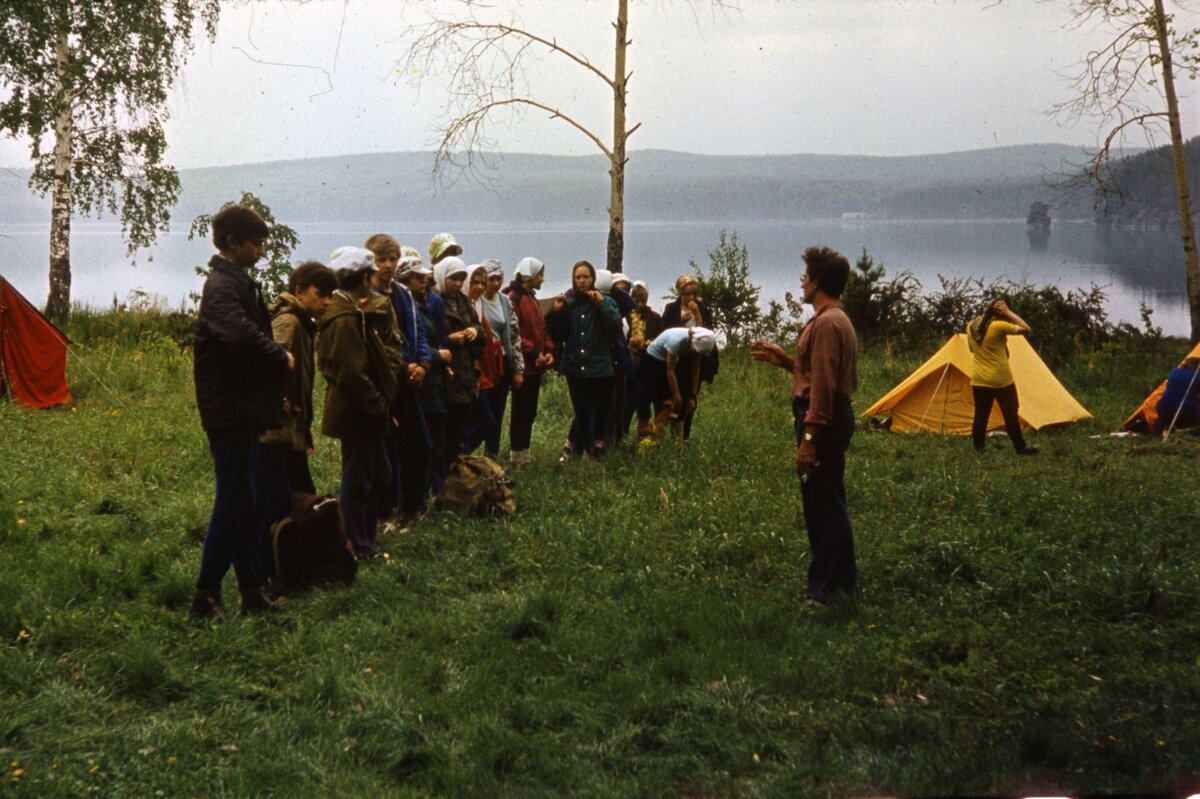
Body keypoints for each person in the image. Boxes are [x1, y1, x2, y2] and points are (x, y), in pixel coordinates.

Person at [191, 204, 294, 619]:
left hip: (243, 408)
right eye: (256, 243)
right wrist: (279, 355)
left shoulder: (236, 281)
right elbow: (237, 332)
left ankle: (251, 591)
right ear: (233, 242)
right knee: (234, 502)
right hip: (228, 412)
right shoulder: (221, 286)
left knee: (247, 502)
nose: (261, 250)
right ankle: (206, 595)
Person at [750, 245, 859, 608]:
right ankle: (841, 583)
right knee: (829, 500)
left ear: (817, 282)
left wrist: (809, 439)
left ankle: (824, 591)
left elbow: (824, 390)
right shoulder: (835, 318)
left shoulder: (827, 323)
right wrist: (787, 361)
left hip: (821, 422)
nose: (802, 282)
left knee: (822, 506)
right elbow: (818, 375)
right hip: (828, 418)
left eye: (805, 277)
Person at [317, 248, 399, 561]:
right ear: (365, 278)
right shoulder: (344, 317)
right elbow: (352, 373)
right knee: (358, 479)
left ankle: (365, 540)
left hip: (361, 410)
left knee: (376, 473)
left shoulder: (346, 309)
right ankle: (356, 544)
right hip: (358, 412)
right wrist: (377, 403)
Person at [366, 234, 433, 524]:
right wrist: (404, 367)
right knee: (386, 450)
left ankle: (412, 505)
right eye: (381, 259)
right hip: (383, 382)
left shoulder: (404, 294)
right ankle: (383, 512)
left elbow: (418, 332)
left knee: (419, 443)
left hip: (410, 381)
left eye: (392, 259)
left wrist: (424, 364)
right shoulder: (367, 296)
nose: (388, 265)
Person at [261, 260, 338, 496]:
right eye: (320, 294)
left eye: (330, 296)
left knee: (296, 494)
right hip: (276, 430)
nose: (326, 302)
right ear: (298, 291)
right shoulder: (288, 322)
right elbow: (265, 360)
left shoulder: (303, 323)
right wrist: (272, 397)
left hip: (290, 427)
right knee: (292, 496)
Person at [546, 260, 621, 460]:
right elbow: (559, 335)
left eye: (586, 277)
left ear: (592, 279)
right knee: (582, 410)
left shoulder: (606, 300)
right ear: (573, 279)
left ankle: (593, 447)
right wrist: (557, 312)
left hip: (600, 366)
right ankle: (584, 449)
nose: (582, 281)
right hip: (574, 366)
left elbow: (615, 325)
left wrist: (601, 303)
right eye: (578, 277)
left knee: (600, 410)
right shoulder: (568, 303)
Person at [467, 258, 524, 459]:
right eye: (490, 279)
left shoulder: (504, 301)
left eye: (498, 279)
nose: (494, 284)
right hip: (482, 365)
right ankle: (462, 453)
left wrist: (518, 369)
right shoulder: (474, 301)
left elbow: (514, 335)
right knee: (484, 416)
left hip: (501, 364)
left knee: (497, 414)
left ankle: (492, 458)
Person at [966, 299, 1038, 455]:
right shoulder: (998, 326)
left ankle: (979, 450)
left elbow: (972, 349)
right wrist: (1008, 312)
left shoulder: (971, 326)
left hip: (979, 379)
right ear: (999, 314)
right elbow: (1026, 328)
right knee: (1011, 413)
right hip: (1001, 379)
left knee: (980, 415)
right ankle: (1020, 448)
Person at [434, 257, 485, 472]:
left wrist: (475, 331)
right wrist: (449, 339)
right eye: (453, 278)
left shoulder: (463, 301)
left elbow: (478, 328)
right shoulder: (434, 301)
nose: (457, 283)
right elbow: (432, 337)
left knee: (460, 431)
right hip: (448, 378)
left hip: (466, 378)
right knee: (446, 436)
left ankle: (458, 476)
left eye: (461, 279)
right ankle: (443, 479)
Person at [505, 257, 556, 468]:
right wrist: (534, 351)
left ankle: (525, 453)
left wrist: (549, 350)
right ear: (530, 275)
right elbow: (514, 333)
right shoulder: (513, 297)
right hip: (522, 365)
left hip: (536, 365)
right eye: (540, 275)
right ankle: (516, 455)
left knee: (530, 411)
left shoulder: (532, 298)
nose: (542, 280)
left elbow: (542, 328)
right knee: (520, 411)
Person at [661, 274, 719, 439]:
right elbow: (665, 331)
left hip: (694, 360)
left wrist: (697, 314)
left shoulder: (703, 309)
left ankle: (683, 437)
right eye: (687, 294)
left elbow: (706, 334)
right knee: (672, 397)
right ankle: (666, 433)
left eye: (694, 293)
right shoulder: (671, 309)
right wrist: (680, 320)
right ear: (680, 293)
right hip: (674, 358)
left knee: (689, 400)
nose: (691, 297)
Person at [639, 326, 717, 441]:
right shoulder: (676, 341)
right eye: (695, 351)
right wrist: (676, 396)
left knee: (682, 401)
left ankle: (677, 442)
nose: (696, 354)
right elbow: (670, 371)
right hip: (653, 361)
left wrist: (693, 395)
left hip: (672, 360)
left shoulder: (697, 347)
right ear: (692, 341)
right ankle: (653, 438)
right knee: (664, 402)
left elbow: (695, 369)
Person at [625, 280, 663, 436]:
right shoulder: (625, 316)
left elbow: (660, 337)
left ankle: (643, 434)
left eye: (643, 301)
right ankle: (622, 435)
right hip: (629, 361)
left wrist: (650, 342)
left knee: (644, 400)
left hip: (648, 362)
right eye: (636, 301)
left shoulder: (654, 317)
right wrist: (629, 341)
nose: (639, 304)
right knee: (627, 401)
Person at [1155, 356, 1200, 432]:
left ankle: (1168, 428)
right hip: (1184, 411)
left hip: (1162, 409)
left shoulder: (1174, 371)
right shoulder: (1196, 375)